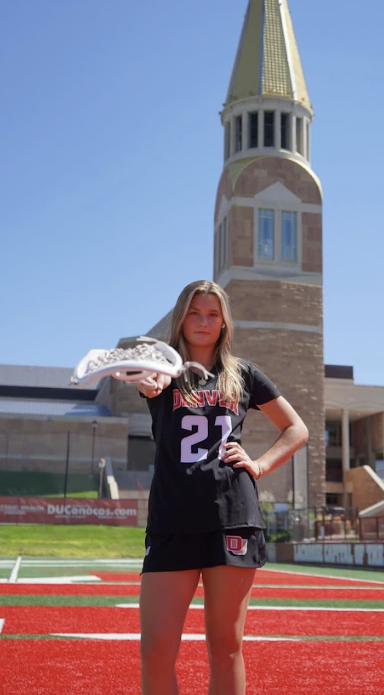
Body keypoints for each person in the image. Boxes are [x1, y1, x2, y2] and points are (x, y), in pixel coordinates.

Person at [136, 280, 308, 695]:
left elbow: (296, 428)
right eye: (195, 312)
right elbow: (148, 384)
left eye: (213, 314)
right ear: (181, 317)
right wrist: (148, 381)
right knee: (156, 649)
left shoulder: (243, 373)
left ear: (224, 322)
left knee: (226, 646)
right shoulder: (164, 370)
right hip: (173, 516)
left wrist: (260, 465)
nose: (203, 321)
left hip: (232, 516)